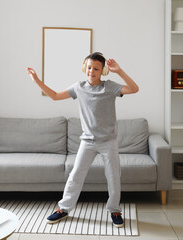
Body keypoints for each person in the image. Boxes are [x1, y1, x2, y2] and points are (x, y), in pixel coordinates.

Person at [27, 52, 139, 228]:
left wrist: (119, 71)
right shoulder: (78, 87)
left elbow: (134, 89)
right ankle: (63, 208)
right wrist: (37, 81)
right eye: (89, 67)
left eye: (96, 68)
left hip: (108, 141)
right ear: (84, 68)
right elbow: (55, 96)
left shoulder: (109, 87)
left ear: (102, 71)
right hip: (87, 141)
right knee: (75, 175)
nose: (91, 71)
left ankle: (114, 210)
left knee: (113, 177)